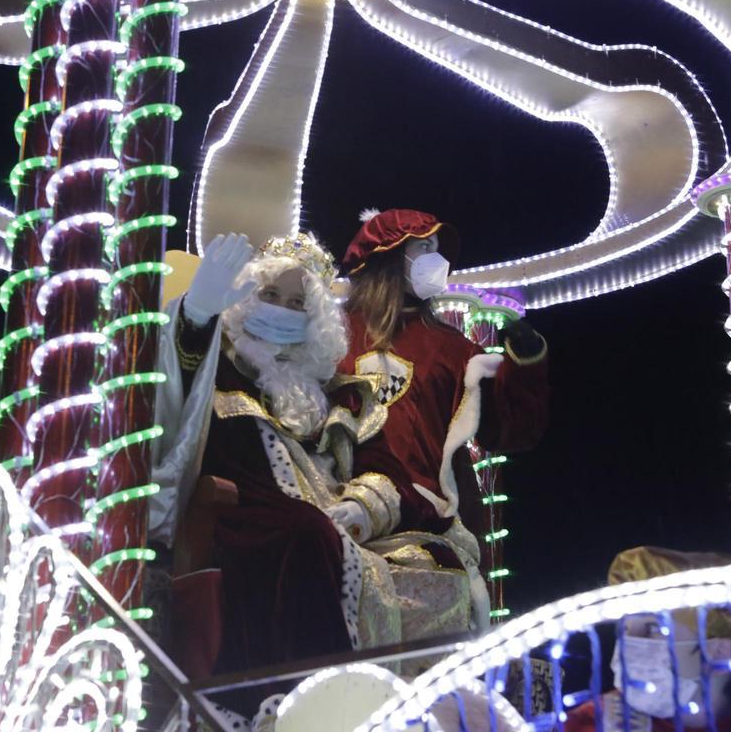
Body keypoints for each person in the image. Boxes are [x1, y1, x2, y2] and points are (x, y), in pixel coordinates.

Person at [150, 232, 473, 718]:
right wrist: (196, 316)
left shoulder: (340, 392)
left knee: (441, 564)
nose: (281, 311)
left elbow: (383, 467)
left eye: (297, 304)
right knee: (306, 535)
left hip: (334, 525)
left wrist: (361, 508)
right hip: (244, 520)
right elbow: (175, 392)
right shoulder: (222, 366)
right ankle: (310, 710)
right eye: (270, 295)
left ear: (314, 320)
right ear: (245, 299)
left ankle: (402, 712)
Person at [336, 208, 550, 622]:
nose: (437, 261)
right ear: (389, 256)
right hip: (341, 508)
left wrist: (526, 364)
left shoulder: (453, 348)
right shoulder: (332, 335)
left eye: (438, 250)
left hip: (429, 520)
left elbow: (509, 430)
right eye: (424, 248)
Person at [565, 547, 731, 732]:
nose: (629, 643)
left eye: (653, 628)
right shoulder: (588, 724)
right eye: (625, 629)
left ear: (722, 653)